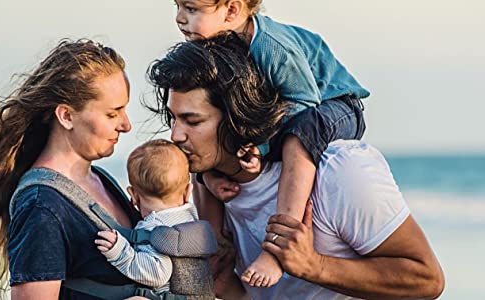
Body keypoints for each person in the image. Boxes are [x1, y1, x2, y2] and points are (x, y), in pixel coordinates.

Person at [146, 33, 445, 299]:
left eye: (192, 120)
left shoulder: (341, 172)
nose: (175, 135)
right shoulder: (207, 188)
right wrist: (231, 291)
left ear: (238, 117)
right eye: (173, 118)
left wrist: (314, 266)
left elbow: (426, 279)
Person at [172, 0, 370, 288]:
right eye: (177, 7)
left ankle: (277, 249)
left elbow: (305, 103)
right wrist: (212, 173)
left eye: (191, 9)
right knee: (208, 138)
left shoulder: (271, 47)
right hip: (293, 109)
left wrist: (261, 145)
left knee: (297, 139)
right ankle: (217, 245)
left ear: (231, 10)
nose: (179, 18)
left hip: (335, 105)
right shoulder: (217, 45)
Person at [0, 39, 143, 299]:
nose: (126, 125)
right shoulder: (42, 205)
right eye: (112, 114)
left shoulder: (101, 180)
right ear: (67, 116)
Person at [93, 139, 197, 293]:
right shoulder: (190, 216)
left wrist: (121, 253)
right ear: (188, 191)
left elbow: (157, 274)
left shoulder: (154, 228)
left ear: (133, 195)